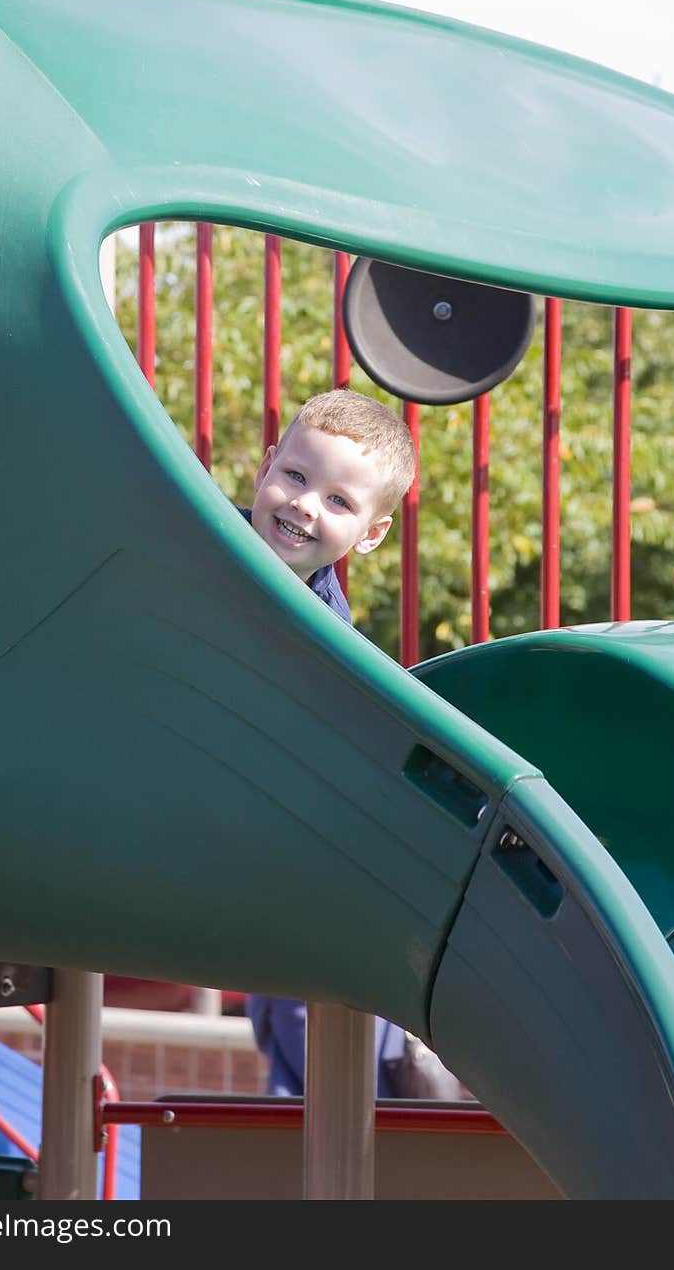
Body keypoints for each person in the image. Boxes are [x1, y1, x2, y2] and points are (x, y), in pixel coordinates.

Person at [239, 387, 444, 1098]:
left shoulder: (333, 645)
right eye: (295, 476)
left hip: (273, 859)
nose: (303, 505)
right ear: (266, 467)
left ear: (372, 534)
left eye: (338, 501)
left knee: (302, 1003)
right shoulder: (194, 542)